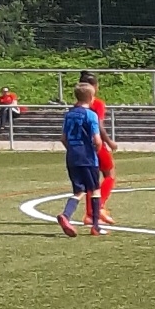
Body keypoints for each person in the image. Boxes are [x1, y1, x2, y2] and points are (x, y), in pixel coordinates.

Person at [55, 82, 106, 238]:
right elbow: (97, 140)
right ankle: (96, 226)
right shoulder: (91, 115)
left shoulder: (69, 114)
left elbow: (63, 138)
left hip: (72, 157)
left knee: (79, 191)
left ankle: (66, 215)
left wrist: (72, 149)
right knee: (95, 190)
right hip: (88, 157)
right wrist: (96, 151)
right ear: (91, 97)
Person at [78, 72, 117, 226]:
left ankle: (89, 214)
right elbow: (99, 126)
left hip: (81, 146)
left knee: (91, 180)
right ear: (94, 86)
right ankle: (98, 207)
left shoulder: (76, 106)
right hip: (96, 144)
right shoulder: (97, 103)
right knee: (110, 174)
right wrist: (109, 141)